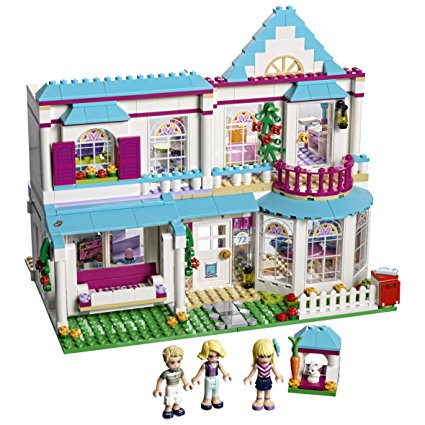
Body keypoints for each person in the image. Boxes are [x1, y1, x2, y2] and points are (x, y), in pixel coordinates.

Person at [153, 345, 193, 419]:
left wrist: (186, 384)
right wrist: (158, 389)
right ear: (166, 362)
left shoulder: (180, 371)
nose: (176, 365)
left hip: (177, 386)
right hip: (170, 388)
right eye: (172, 362)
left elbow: (183, 378)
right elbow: (159, 380)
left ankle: (176, 407)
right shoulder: (166, 373)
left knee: (178, 398)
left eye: (178, 361)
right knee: (169, 399)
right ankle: (168, 409)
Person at [243, 338, 283, 411]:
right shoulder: (257, 365)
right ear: (256, 355)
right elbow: (252, 372)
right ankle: (259, 400)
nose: (265, 359)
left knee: (268, 390)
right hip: (260, 380)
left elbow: (275, 372)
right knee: (259, 390)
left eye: (268, 356)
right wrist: (249, 378)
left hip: (268, 379)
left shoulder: (271, 365)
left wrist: (278, 376)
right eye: (261, 356)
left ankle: (267, 400)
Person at [191, 340, 232, 410]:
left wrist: (225, 375)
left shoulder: (218, 364)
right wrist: (197, 378)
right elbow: (200, 372)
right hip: (208, 379)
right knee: (208, 390)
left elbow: (223, 370)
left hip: (216, 378)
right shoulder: (205, 365)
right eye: (211, 356)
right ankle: (207, 400)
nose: (214, 358)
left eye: (217, 356)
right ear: (205, 355)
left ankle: (215, 398)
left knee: (216, 389)